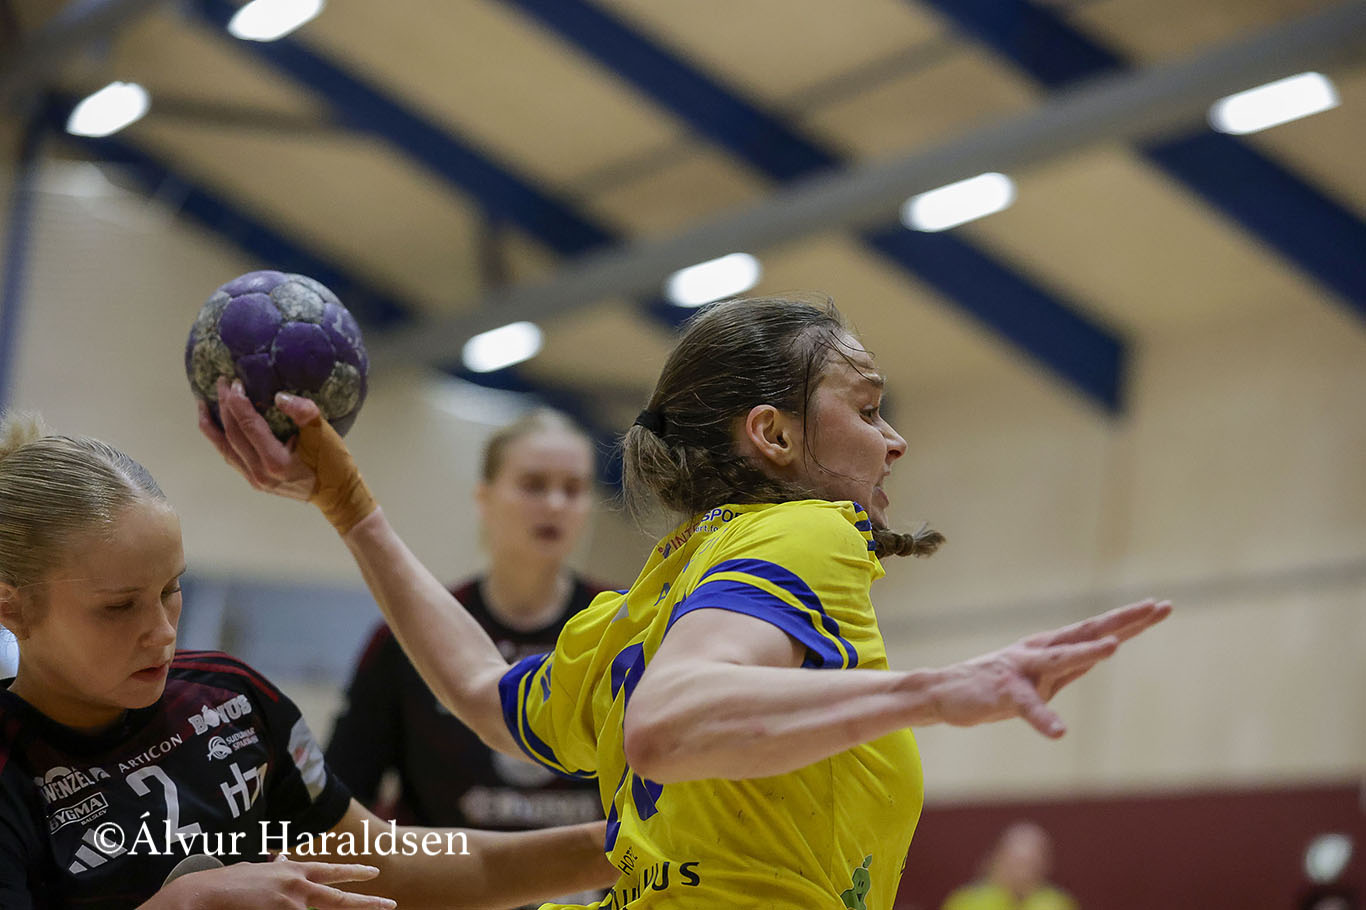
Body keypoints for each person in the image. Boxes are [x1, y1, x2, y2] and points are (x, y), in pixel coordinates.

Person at [202, 295, 1172, 910]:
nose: (895, 440)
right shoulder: (810, 531)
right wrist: (937, 690)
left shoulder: (652, 594)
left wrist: (349, 505)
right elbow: (667, 725)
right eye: (869, 407)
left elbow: (483, 692)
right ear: (773, 436)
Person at [0, 413, 616, 909]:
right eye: (118, 607)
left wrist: (620, 844)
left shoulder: (231, 701)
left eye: (170, 589)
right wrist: (184, 902)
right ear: (13, 608)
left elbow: (393, 864)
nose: (161, 632)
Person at [327, 409, 606, 834]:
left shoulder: (629, 624)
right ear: (484, 497)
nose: (555, 504)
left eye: (573, 489)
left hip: (596, 874)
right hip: (450, 870)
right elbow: (344, 792)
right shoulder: (411, 630)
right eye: (534, 485)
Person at [941, 822, 1078, 910]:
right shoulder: (967, 902)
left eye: (1031, 863)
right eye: (1017, 863)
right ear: (996, 860)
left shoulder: (1057, 904)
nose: (1023, 872)